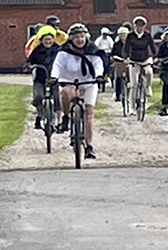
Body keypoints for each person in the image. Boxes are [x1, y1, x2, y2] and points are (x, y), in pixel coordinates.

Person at [50, 23, 106, 159]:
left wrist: (99, 76)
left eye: (82, 37)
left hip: (89, 82)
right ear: (71, 39)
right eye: (76, 37)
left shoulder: (93, 49)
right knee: (64, 92)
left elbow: (99, 64)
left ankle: (89, 146)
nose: (80, 40)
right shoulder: (64, 51)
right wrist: (54, 77)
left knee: (88, 113)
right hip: (69, 80)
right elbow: (57, 65)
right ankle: (67, 117)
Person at [26, 25, 61, 129]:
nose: (48, 42)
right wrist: (29, 66)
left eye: (50, 40)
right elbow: (29, 61)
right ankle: (40, 115)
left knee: (58, 98)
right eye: (46, 40)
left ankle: (59, 121)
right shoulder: (36, 50)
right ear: (41, 40)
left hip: (54, 79)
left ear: (53, 40)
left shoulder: (58, 50)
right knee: (38, 97)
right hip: (40, 78)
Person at [124, 16, 157, 115]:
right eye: (137, 25)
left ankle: (147, 87)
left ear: (144, 26)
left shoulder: (147, 35)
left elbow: (152, 46)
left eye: (141, 26)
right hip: (134, 60)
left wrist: (156, 56)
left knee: (149, 72)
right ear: (134, 26)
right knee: (134, 84)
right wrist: (126, 58)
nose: (139, 28)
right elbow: (126, 48)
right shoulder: (130, 36)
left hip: (145, 58)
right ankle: (132, 107)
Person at [111, 27, 129, 101]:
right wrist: (120, 59)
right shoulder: (116, 45)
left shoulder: (131, 44)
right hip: (120, 62)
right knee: (118, 77)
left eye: (124, 35)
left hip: (130, 62)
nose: (123, 37)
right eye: (121, 35)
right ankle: (118, 94)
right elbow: (113, 54)